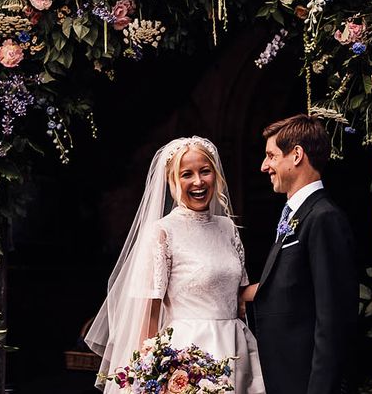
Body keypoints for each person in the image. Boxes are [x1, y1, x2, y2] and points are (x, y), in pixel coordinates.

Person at [85, 136, 266, 393]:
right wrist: (147, 370)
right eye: (186, 174)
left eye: (205, 171)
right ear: (172, 181)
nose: (198, 182)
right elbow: (150, 312)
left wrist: (284, 279)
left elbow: (237, 294)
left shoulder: (228, 228)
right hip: (188, 355)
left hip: (236, 348)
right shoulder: (162, 233)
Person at [249, 114, 357, 394]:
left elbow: (332, 318)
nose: (264, 166)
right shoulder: (296, 215)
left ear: (296, 155)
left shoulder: (323, 217)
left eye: (271, 156)